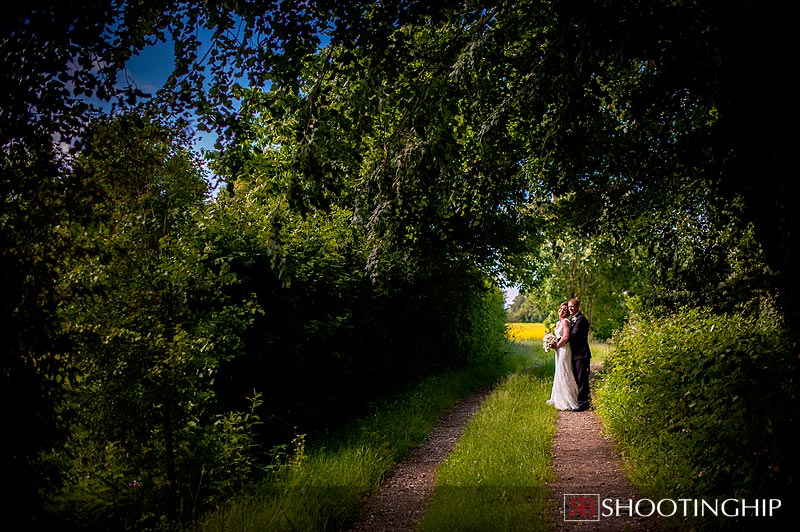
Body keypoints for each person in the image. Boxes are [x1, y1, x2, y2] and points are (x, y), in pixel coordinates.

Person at [546, 302, 579, 411]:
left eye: (565, 310)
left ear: (567, 312)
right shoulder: (557, 323)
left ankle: (569, 399)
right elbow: (558, 337)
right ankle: (558, 398)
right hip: (559, 350)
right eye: (561, 309)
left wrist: (557, 346)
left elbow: (565, 337)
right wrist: (550, 343)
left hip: (564, 349)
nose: (562, 311)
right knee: (559, 372)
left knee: (565, 371)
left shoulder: (565, 322)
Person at [568, 297, 592, 411]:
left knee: (582, 378)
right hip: (575, 353)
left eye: (572, 306)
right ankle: (583, 401)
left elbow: (574, 335)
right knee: (577, 378)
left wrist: (562, 340)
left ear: (578, 307)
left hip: (581, 354)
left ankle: (583, 403)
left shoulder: (581, 319)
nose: (570, 308)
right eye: (569, 307)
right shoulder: (572, 319)